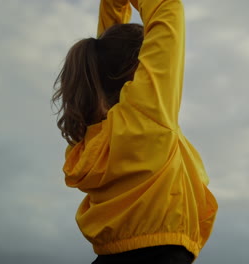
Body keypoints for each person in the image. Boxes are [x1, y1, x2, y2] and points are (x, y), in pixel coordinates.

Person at [52, 0, 218, 263]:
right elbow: (167, 8)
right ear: (139, 71)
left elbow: (106, 58)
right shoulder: (146, 117)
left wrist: (113, 5)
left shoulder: (91, 137)